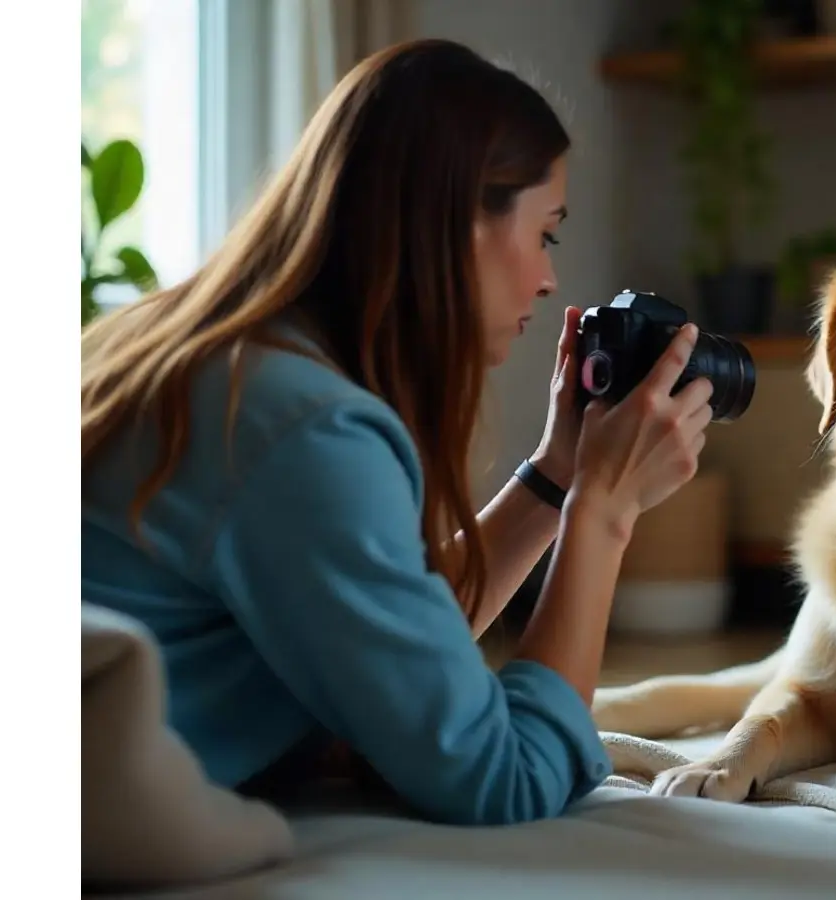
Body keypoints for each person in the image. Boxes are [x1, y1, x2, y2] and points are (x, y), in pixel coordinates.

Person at [80, 39, 715, 826]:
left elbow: (398, 650)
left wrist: (557, 475)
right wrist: (605, 511)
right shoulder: (303, 427)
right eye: (545, 233)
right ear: (456, 224)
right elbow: (502, 778)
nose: (550, 278)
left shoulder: (206, 357)